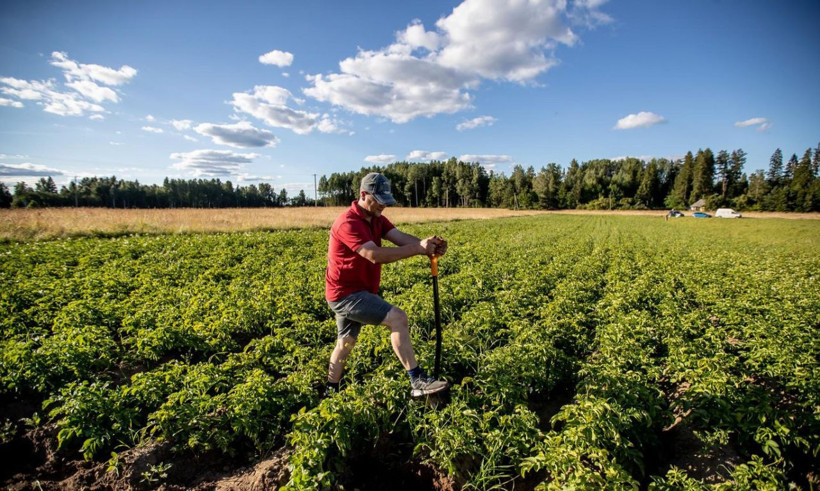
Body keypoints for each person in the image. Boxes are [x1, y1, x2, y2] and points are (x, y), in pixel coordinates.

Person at [324, 172, 449, 398]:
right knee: (397, 318)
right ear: (363, 195)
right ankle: (417, 380)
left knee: (345, 342)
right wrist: (418, 249)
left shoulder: (377, 219)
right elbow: (374, 254)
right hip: (346, 294)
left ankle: (330, 391)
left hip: (358, 290)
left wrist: (427, 245)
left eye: (385, 201)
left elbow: (399, 237)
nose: (383, 206)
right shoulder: (348, 223)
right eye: (378, 200)